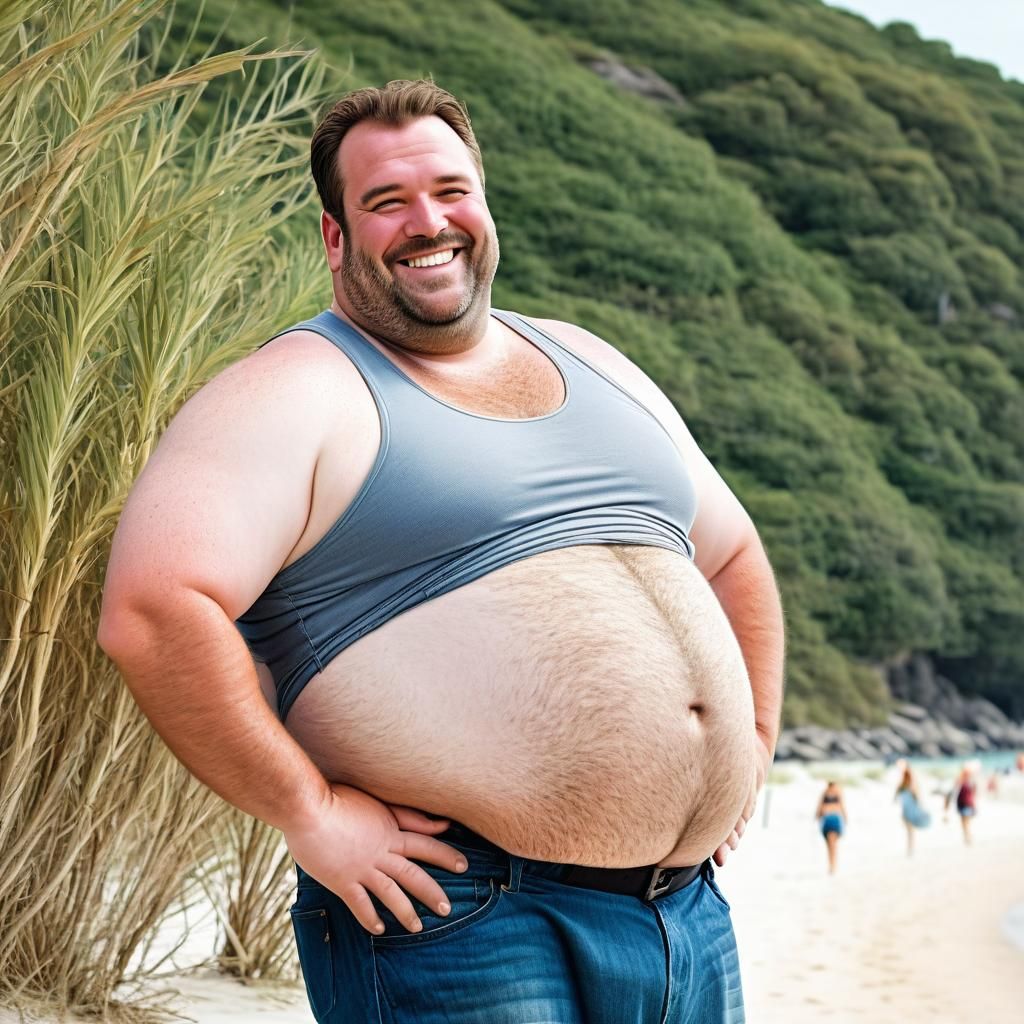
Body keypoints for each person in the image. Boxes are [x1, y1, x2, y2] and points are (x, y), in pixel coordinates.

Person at [97, 79, 784, 1023]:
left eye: (450, 191)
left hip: (684, 914)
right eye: (387, 202)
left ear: (484, 204)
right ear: (335, 237)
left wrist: (749, 748)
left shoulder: (594, 360)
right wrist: (309, 812)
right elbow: (152, 610)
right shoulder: (298, 388)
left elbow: (735, 556)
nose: (429, 222)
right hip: (464, 914)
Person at [895, 764, 930, 855]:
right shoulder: (904, 784)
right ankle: (910, 848)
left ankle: (910, 848)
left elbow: (917, 797)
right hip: (907, 809)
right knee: (909, 830)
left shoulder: (909, 784)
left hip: (910, 809)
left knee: (910, 830)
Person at [815, 780, 847, 874]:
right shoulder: (836, 792)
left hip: (829, 818)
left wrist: (817, 817)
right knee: (832, 845)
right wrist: (845, 818)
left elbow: (819, 807)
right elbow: (842, 807)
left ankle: (832, 866)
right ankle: (832, 865)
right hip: (832, 818)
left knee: (830, 845)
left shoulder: (826, 793)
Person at [953, 764, 978, 845]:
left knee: (966, 822)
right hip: (962, 803)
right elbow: (955, 789)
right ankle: (967, 836)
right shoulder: (962, 781)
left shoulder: (970, 782)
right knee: (964, 822)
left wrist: (974, 805)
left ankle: (968, 837)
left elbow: (974, 794)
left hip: (967, 804)